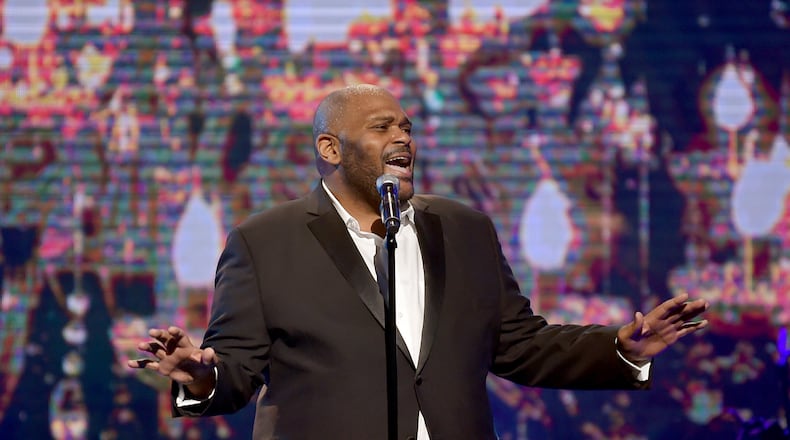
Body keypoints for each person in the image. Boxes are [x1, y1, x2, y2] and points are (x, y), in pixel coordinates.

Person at [128, 84, 709, 439]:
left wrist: (621, 348)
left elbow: (520, 344)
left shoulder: (462, 228)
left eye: (406, 127)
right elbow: (235, 368)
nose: (402, 137)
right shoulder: (266, 241)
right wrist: (201, 374)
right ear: (330, 148)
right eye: (381, 127)